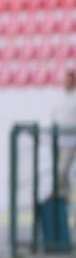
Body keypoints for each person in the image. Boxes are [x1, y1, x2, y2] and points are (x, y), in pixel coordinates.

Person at [53, 67, 76, 198]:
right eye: (66, 79)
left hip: (73, 140)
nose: (67, 81)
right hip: (62, 142)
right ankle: (64, 198)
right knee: (61, 171)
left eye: (70, 79)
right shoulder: (59, 98)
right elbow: (55, 118)